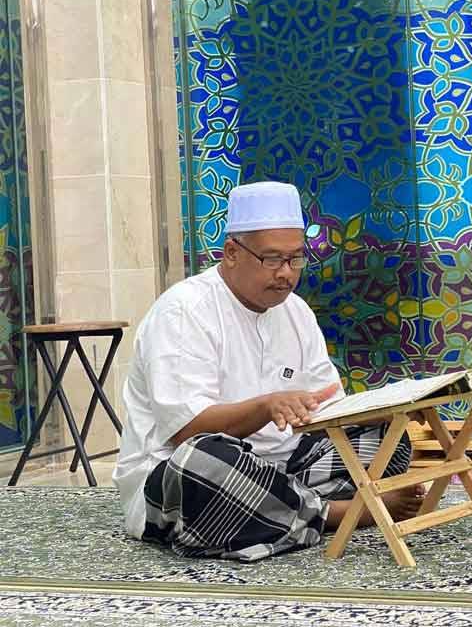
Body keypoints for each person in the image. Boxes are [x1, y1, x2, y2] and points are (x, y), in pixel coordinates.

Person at [113, 182, 423, 561]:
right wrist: (265, 407)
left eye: (296, 259)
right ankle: (336, 513)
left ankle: (285, 512)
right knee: (203, 460)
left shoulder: (295, 311)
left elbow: (329, 408)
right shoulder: (184, 311)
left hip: (284, 473)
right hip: (187, 480)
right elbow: (187, 430)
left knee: (385, 436)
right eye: (273, 259)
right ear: (231, 252)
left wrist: (390, 410)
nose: (286, 274)